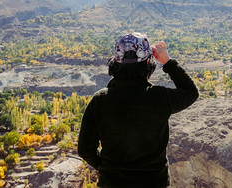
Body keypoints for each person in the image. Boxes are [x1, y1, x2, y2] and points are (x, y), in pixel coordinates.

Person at [78, 32, 199, 188]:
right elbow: (191, 92)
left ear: (115, 63)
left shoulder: (100, 100)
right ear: (148, 62)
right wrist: (167, 62)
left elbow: (85, 149)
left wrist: (107, 168)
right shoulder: (159, 98)